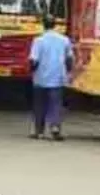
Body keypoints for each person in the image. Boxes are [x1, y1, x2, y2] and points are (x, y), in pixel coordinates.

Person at [27, 13, 74, 141]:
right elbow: (69, 59)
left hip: (40, 78)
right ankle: (55, 128)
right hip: (58, 78)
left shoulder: (38, 41)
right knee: (56, 104)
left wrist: (31, 71)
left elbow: (34, 60)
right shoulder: (64, 40)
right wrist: (68, 72)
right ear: (55, 25)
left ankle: (39, 131)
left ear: (43, 25)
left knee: (39, 105)